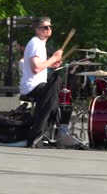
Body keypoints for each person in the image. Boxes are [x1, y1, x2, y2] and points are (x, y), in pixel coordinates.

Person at [20, 16, 64, 147]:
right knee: (56, 80)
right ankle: (41, 131)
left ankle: (46, 131)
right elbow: (36, 68)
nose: (49, 29)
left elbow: (39, 66)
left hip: (38, 84)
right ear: (37, 29)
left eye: (50, 26)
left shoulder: (40, 44)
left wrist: (51, 64)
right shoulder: (35, 43)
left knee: (55, 87)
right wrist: (53, 58)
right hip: (32, 87)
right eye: (45, 27)